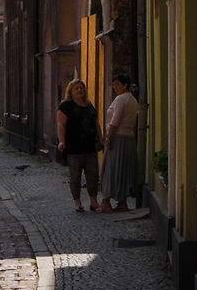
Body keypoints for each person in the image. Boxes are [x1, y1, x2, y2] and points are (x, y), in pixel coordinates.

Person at [56, 78, 104, 212]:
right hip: (73, 147)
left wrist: (101, 139)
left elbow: (96, 123)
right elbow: (60, 124)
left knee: (93, 175)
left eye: (82, 88)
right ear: (70, 91)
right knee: (75, 176)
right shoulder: (65, 106)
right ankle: (77, 202)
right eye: (77, 88)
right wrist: (61, 141)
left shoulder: (89, 105)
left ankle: (93, 201)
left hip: (89, 146)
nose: (80, 90)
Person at [97, 72, 140, 213]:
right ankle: (122, 202)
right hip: (129, 138)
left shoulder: (121, 99)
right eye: (113, 84)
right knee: (124, 170)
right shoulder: (133, 100)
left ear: (125, 85)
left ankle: (106, 202)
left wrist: (108, 138)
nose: (114, 87)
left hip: (118, 138)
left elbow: (114, 121)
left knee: (111, 169)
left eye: (117, 84)